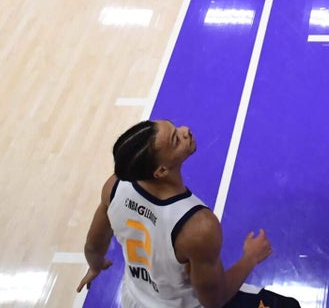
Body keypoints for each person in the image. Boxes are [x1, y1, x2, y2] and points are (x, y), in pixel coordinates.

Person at [77, 119, 277, 307]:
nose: (185, 130)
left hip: (134, 299)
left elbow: (93, 246)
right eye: (175, 139)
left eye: (175, 128)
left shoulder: (114, 187)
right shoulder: (198, 227)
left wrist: (95, 266)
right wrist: (250, 257)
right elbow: (214, 301)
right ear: (161, 171)